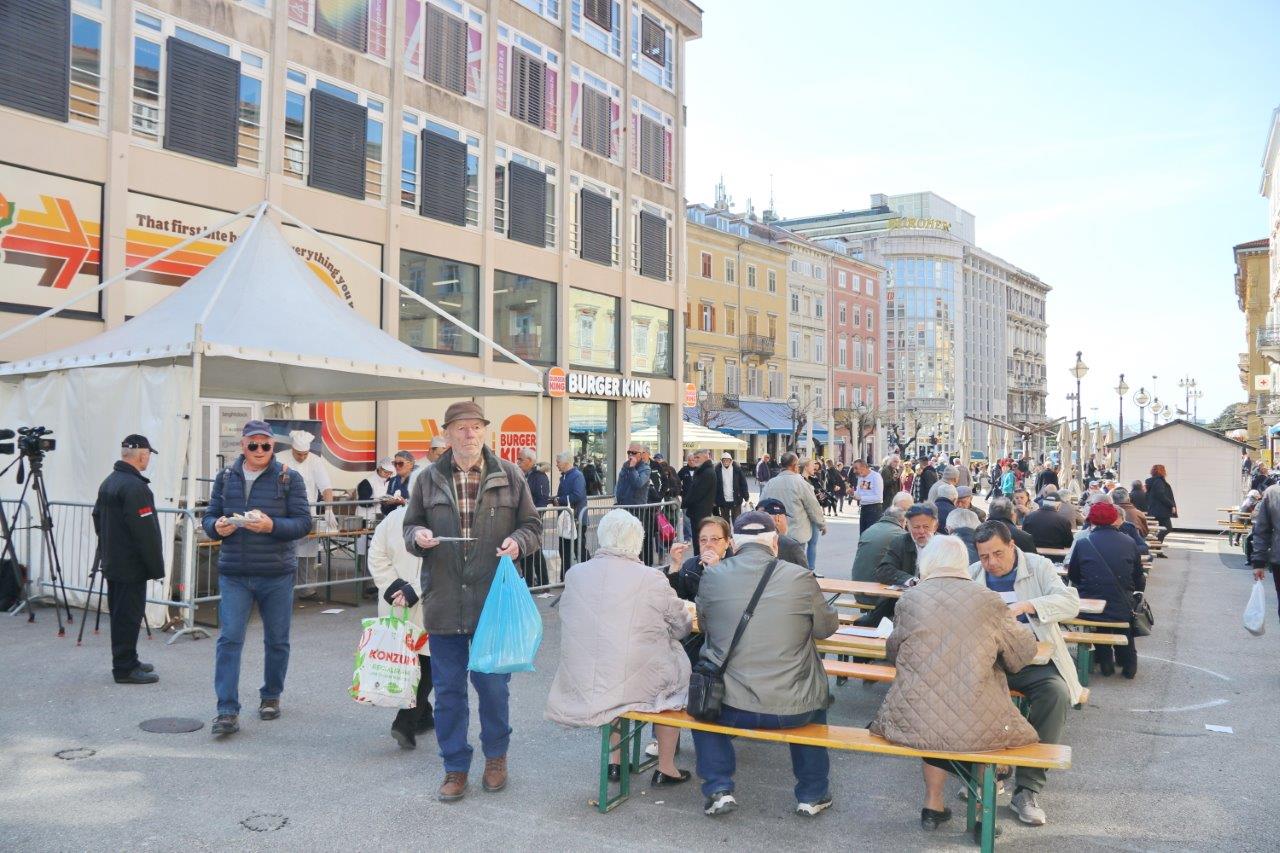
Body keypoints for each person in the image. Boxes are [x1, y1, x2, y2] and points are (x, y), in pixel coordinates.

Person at [402, 401, 541, 802]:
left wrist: (520, 543)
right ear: (447, 434)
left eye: (475, 426)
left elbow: (531, 525)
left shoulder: (510, 475)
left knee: (493, 689)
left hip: (492, 605)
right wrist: (418, 538)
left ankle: (496, 756)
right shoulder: (427, 479)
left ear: (485, 432)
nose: (468, 434)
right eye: (460, 427)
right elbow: (411, 525)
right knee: (448, 693)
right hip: (444, 601)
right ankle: (455, 766)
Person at [871, 536, 1038, 840]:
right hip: (977, 712)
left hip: (916, 717)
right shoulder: (988, 599)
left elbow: (893, 653)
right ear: (964, 562)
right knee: (981, 721)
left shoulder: (910, 599)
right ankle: (979, 815)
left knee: (934, 708)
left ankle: (932, 806)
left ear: (927, 563)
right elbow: (1020, 656)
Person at [692, 512, 839, 817]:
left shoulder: (713, 576)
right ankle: (812, 793)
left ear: (734, 545)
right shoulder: (800, 577)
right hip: (794, 705)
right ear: (774, 542)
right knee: (813, 706)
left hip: (731, 705)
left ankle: (719, 788)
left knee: (702, 709)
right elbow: (825, 629)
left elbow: (705, 624)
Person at [545, 509, 693, 787]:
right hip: (636, 679)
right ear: (636, 541)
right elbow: (681, 627)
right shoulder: (651, 578)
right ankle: (666, 767)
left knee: (613, 684)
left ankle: (616, 762)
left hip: (586, 677)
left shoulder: (576, 573)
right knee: (675, 688)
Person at [204, 420, 314, 736]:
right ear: (243, 446)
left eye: (265, 444)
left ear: (272, 447)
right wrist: (216, 527)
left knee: (277, 640)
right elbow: (210, 515)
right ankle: (226, 710)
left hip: (276, 573)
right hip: (235, 573)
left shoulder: (289, 478)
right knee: (229, 639)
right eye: (253, 444)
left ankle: (271, 696)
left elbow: (304, 523)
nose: (259, 450)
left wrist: (271, 526)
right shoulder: (225, 478)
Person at [971, 521, 1083, 827]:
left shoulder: (1038, 566)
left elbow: (1071, 603)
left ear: (1011, 547)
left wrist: (1029, 605)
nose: (991, 563)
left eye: (997, 554)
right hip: (990, 664)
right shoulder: (972, 575)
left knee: (1055, 693)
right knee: (964, 696)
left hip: (1035, 660)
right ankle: (981, 774)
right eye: (984, 557)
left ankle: (1028, 788)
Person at [91, 434, 165, 685]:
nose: (147, 460)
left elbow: (96, 518)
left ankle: (129, 659)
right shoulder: (135, 487)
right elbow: (145, 532)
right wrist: (156, 567)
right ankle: (123, 667)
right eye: (148, 456)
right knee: (128, 616)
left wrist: (110, 545)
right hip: (130, 565)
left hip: (114, 560)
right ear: (143, 455)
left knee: (123, 614)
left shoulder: (110, 481)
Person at [368, 503, 434, 748]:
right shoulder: (396, 518)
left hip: (407, 599)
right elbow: (377, 551)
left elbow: (376, 553)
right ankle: (406, 722)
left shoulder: (396, 517)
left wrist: (398, 586)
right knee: (426, 661)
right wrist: (395, 586)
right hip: (410, 600)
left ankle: (423, 715)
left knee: (415, 657)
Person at [1066, 502, 1144, 679]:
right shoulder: (1129, 542)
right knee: (1123, 625)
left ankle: (1105, 662)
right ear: (1114, 519)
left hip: (1091, 606)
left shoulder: (1083, 542)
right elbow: (1138, 575)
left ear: (1092, 519)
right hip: (1122, 605)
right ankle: (1128, 665)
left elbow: (1074, 575)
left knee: (1099, 620)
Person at [277, 430, 334, 601]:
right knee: (283, 552)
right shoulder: (279, 458)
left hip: (307, 513)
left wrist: (329, 509)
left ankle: (307, 589)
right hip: (283, 513)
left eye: (304, 454)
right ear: (292, 450)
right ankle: (280, 589)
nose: (302, 457)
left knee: (307, 554)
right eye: (298, 454)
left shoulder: (315, 461)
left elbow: (326, 487)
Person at [760, 452, 826, 571]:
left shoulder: (770, 483)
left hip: (776, 534)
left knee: (777, 567)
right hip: (797, 534)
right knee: (796, 568)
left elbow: (761, 507)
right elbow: (813, 506)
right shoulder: (801, 484)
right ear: (795, 466)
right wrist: (821, 524)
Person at [667, 516, 735, 603]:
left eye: (714, 539)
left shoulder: (737, 566)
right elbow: (674, 598)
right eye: (703, 540)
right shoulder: (689, 566)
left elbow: (732, 604)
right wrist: (675, 564)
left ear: (727, 542)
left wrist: (716, 571)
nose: (708, 544)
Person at [850, 506, 906, 603]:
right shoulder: (900, 534)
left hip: (858, 591)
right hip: (878, 597)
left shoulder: (869, 530)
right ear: (902, 521)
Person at [875, 504, 938, 587]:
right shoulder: (900, 542)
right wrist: (911, 580)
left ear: (935, 527)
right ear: (908, 527)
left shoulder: (944, 545)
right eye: (916, 527)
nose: (921, 531)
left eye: (926, 527)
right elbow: (883, 571)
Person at [517, 448, 551, 587]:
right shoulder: (527, 475)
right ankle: (530, 582)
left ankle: (542, 582)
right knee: (529, 552)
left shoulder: (539, 476)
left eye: (521, 460)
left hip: (533, 521)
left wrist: (535, 517)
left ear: (530, 461)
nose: (518, 462)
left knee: (535, 552)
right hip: (525, 520)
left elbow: (542, 500)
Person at [552, 450, 588, 574]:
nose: (556, 464)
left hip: (577, 519)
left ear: (566, 462)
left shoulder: (577, 475)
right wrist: (555, 499)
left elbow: (577, 495)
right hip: (566, 520)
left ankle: (588, 574)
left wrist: (559, 499)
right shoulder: (565, 476)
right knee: (564, 550)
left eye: (558, 462)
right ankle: (565, 576)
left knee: (579, 550)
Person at [681, 449, 717, 555]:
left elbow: (697, 493)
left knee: (700, 542)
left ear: (706, 457)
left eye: (698, 457)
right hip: (699, 512)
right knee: (699, 541)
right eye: (694, 458)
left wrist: (684, 503)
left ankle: (699, 565)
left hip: (701, 513)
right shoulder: (703, 471)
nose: (695, 460)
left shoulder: (706, 472)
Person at [755, 497, 808, 568]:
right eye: (785, 518)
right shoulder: (790, 546)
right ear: (778, 519)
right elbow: (805, 575)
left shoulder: (742, 541)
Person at [356, 457, 394, 525]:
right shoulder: (367, 482)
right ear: (379, 468)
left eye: (390, 473)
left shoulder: (391, 481)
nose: (388, 475)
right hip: (366, 518)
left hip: (381, 517)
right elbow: (362, 501)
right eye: (386, 472)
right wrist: (379, 500)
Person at [1145, 464, 1176, 544]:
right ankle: (1154, 544)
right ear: (1162, 471)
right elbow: (1161, 495)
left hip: (1154, 509)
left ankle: (1157, 546)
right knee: (1167, 528)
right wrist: (1171, 504)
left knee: (1162, 529)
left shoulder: (1152, 481)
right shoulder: (1159, 481)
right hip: (1161, 511)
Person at [850, 459, 884, 532]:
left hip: (874, 510)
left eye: (856, 468)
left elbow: (879, 497)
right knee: (863, 535)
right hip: (863, 509)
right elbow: (859, 494)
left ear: (864, 467)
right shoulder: (860, 478)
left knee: (871, 536)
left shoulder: (876, 477)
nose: (854, 471)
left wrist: (861, 498)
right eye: (854, 468)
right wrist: (853, 493)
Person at [715, 452, 750, 522]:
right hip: (723, 500)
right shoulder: (717, 470)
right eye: (724, 460)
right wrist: (714, 499)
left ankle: (737, 532)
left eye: (727, 460)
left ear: (731, 461)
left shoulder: (737, 470)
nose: (725, 462)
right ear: (721, 461)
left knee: (737, 520)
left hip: (736, 499)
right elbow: (715, 486)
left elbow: (743, 484)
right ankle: (727, 533)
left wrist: (746, 496)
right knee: (725, 521)